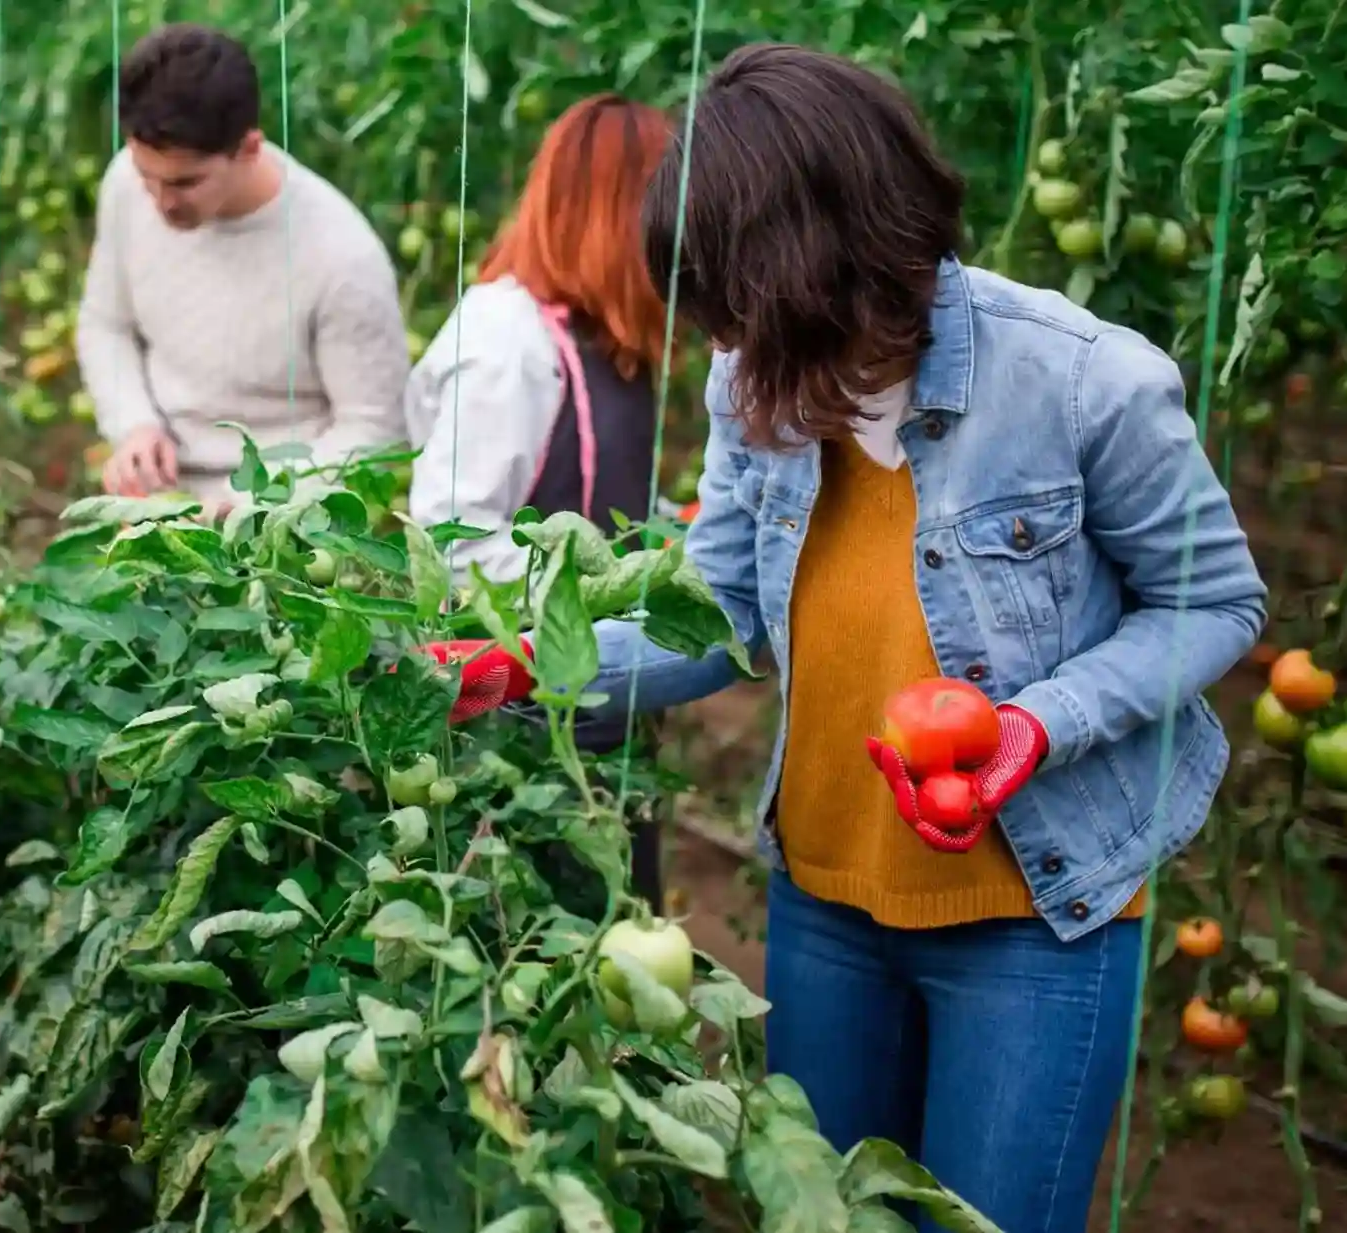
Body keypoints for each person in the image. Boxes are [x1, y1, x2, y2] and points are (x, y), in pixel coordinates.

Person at [421, 44, 1264, 1233]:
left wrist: (1035, 726)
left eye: (740, 313)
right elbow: (716, 620)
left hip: (1034, 916)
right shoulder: (751, 379)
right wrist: (528, 665)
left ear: (828, 269)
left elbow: (1212, 603)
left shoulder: (1083, 383)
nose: (724, 354)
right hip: (824, 907)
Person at [404, 94, 675, 914]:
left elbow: (601, 496)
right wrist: (609, 588)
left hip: (602, 710)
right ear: (628, 213)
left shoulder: (601, 333)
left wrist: (669, 529)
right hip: (515, 732)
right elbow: (453, 543)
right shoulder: (506, 343)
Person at [78, 22, 410, 508]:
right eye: (148, 175)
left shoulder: (340, 257)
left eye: (186, 183)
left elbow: (374, 430)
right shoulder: (125, 187)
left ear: (249, 148)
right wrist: (134, 426)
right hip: (160, 501)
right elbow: (106, 323)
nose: (160, 201)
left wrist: (261, 502)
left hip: (288, 527)